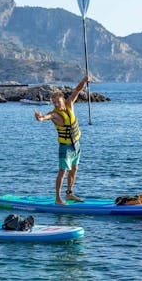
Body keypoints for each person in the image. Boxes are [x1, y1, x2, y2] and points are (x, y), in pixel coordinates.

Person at [34, 76, 91, 205]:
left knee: (74, 169)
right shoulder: (54, 114)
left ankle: (69, 193)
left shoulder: (70, 104)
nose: (56, 105)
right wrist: (40, 118)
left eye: (58, 102)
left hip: (76, 145)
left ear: (63, 100)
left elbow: (77, 90)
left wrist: (83, 81)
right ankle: (58, 198)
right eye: (54, 103)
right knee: (62, 171)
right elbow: (45, 117)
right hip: (65, 147)